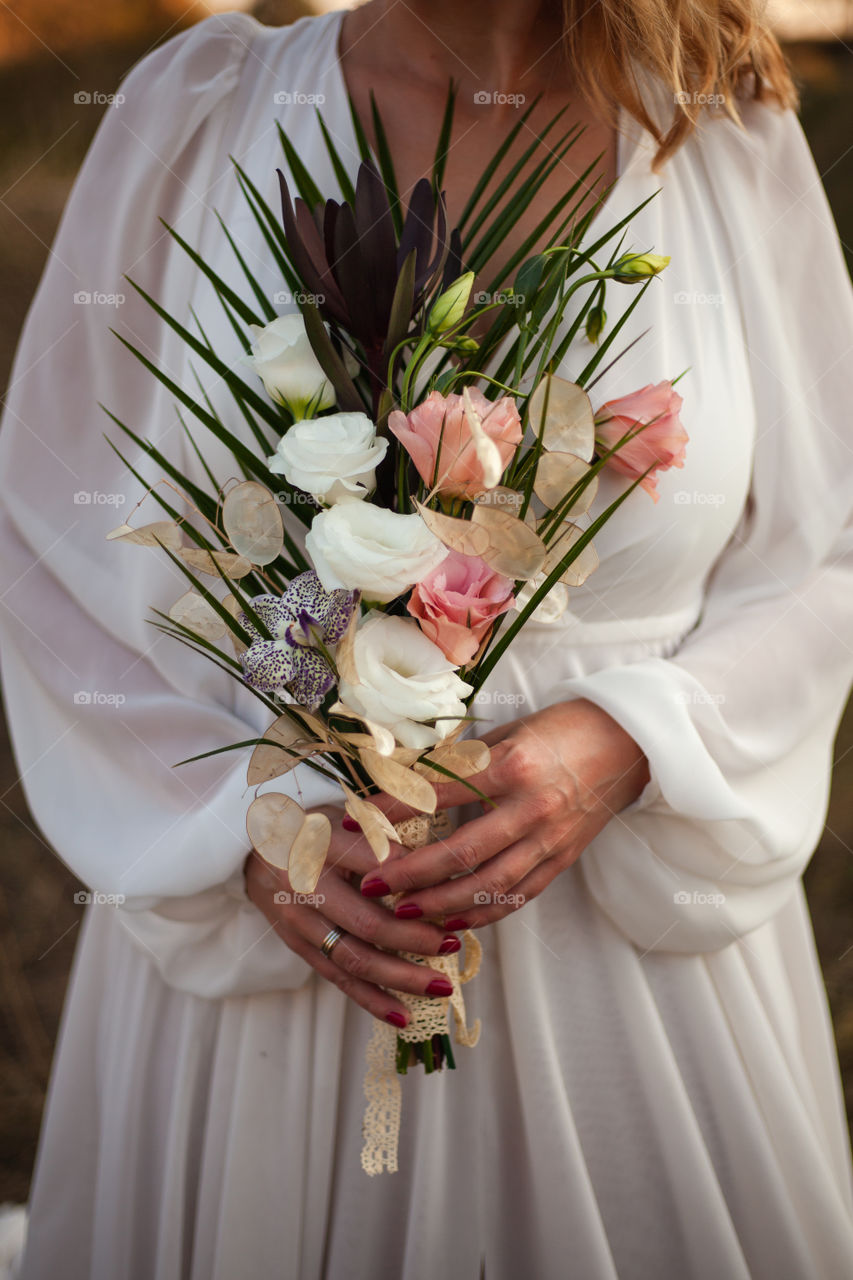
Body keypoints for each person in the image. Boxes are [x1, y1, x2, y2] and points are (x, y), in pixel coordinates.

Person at [1, 2, 852, 1276]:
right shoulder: (197, 109)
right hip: (281, 968)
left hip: (628, 976)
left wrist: (633, 738)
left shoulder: (715, 127)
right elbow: (48, 537)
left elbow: (826, 539)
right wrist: (248, 817)